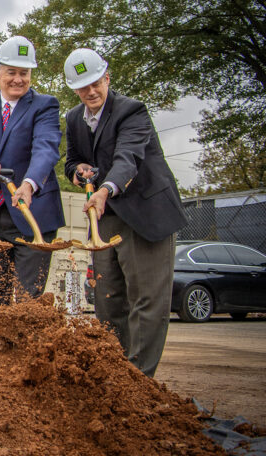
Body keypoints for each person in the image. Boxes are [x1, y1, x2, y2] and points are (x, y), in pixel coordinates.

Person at [63, 48, 186, 378]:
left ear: (106, 77)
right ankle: (116, 376)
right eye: (82, 87)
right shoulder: (74, 119)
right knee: (109, 300)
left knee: (146, 302)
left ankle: (139, 383)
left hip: (146, 215)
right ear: (74, 89)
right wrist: (78, 172)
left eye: (95, 83)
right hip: (106, 218)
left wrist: (103, 190)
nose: (90, 92)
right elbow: (72, 161)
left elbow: (126, 159)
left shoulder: (131, 111)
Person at [0, 35, 64, 307]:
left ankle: (27, 349)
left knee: (27, 301)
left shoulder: (45, 105)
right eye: (11, 72)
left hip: (33, 214)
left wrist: (30, 183)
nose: (18, 79)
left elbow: (46, 148)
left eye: (24, 73)